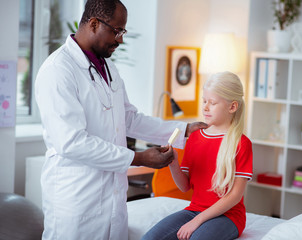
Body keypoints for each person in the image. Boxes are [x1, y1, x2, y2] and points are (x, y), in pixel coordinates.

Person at [34, 0, 207, 239]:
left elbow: (129, 119)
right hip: (77, 199)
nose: (120, 39)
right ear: (93, 23)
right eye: (116, 31)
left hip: (113, 200)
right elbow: (71, 142)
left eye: (123, 31)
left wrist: (184, 129)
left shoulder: (109, 69)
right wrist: (138, 158)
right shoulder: (58, 70)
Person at [142, 71, 253, 240]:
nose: (205, 107)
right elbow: (185, 186)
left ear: (232, 107)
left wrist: (197, 221)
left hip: (228, 216)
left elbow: (234, 196)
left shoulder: (241, 143)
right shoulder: (195, 137)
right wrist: (173, 163)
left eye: (212, 103)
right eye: (204, 101)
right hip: (194, 210)